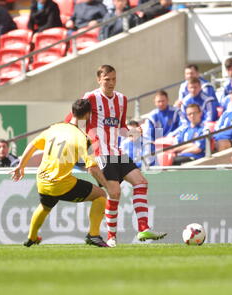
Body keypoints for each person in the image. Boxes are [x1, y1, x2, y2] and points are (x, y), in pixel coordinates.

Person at [80, 64, 167, 247]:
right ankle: (112, 237)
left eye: (113, 79)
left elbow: (121, 129)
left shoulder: (121, 99)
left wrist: (133, 133)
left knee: (141, 182)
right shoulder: (91, 97)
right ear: (99, 80)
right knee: (115, 193)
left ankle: (143, 229)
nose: (111, 83)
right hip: (101, 154)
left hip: (117, 153)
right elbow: (75, 114)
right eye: (107, 80)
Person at [11, 99, 117, 248]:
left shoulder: (54, 128)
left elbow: (33, 145)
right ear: (88, 115)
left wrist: (20, 166)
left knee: (45, 206)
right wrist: (107, 186)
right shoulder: (81, 137)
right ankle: (93, 235)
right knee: (100, 195)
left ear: (72, 112)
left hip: (42, 180)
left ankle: (32, 237)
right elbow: (92, 168)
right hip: (60, 183)